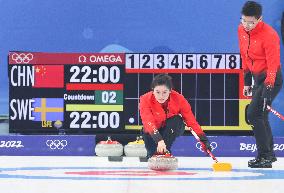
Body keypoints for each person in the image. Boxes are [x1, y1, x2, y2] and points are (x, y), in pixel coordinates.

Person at [238, 1, 283, 168]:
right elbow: (244, 55)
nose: (247, 25)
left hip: (271, 78)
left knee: (253, 114)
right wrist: (246, 81)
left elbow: (273, 63)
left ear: (260, 19)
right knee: (260, 115)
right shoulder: (241, 30)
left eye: (251, 22)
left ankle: (264, 156)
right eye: (244, 20)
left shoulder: (270, 35)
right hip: (257, 78)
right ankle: (268, 155)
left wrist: (268, 88)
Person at [139, 74, 211, 158]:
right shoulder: (145, 99)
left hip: (169, 130)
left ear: (170, 91)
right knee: (152, 156)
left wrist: (203, 140)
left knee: (177, 120)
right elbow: (148, 121)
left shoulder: (179, 99)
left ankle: (165, 152)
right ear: (153, 90)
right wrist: (159, 140)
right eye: (157, 92)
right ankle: (157, 152)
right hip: (152, 133)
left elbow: (191, 121)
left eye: (164, 92)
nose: (161, 96)